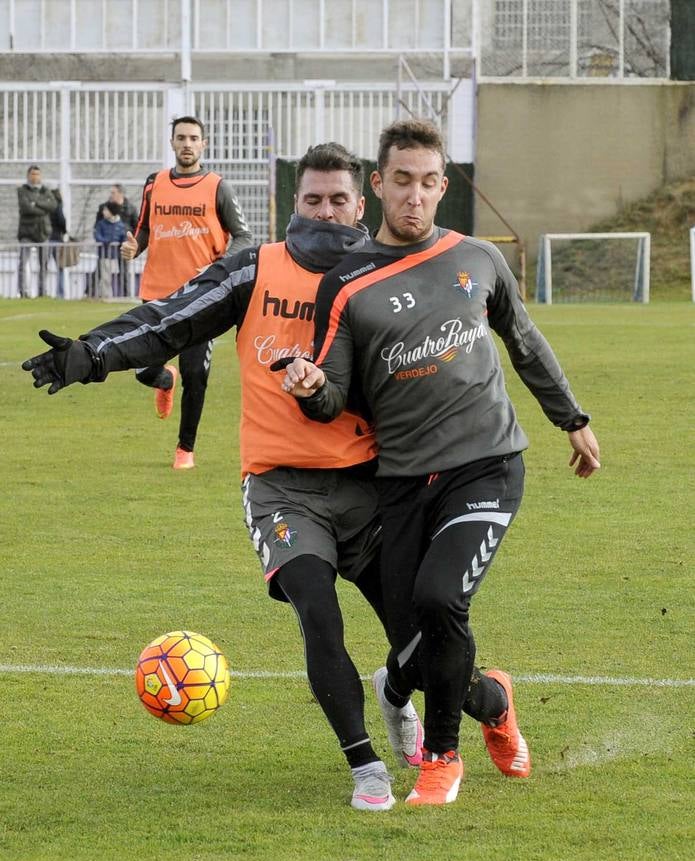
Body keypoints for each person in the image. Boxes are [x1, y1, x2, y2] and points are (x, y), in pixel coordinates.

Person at [22, 142, 424, 812]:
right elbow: (166, 320)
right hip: (279, 488)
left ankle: (406, 695)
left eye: (337, 200)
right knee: (318, 619)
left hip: (370, 486)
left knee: (424, 641)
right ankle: (365, 767)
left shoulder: (386, 274)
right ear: (292, 203)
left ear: (362, 203)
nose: (324, 210)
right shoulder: (253, 265)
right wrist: (91, 355)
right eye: (311, 199)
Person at [280, 119, 601, 807]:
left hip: (487, 464)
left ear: (442, 187)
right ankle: (491, 700)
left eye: (428, 183)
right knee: (417, 651)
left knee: (438, 598)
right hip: (400, 482)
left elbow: (522, 340)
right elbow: (332, 395)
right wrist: (310, 389)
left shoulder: (478, 257)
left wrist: (570, 418)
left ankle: (441, 758)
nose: (414, 196)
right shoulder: (344, 283)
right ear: (378, 183)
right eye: (401, 181)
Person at [120, 115, 254, 470]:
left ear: (203, 144)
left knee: (196, 375)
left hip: (200, 297)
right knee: (142, 369)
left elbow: (243, 235)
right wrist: (134, 248)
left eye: (194, 138)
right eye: (181, 138)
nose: (187, 144)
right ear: (172, 143)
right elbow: (144, 230)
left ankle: (185, 450)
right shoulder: (155, 183)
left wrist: (219, 267)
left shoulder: (217, 186)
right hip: (156, 294)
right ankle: (163, 379)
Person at [17, 165, 57, 298]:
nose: (35, 177)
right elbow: (26, 207)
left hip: (43, 232)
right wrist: (42, 207)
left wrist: (35, 203)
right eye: (33, 174)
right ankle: (23, 292)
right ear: (28, 175)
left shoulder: (46, 190)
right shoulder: (22, 190)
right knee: (23, 263)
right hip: (27, 232)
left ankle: (42, 292)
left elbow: (53, 205)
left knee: (44, 264)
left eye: (37, 174)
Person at [94, 201, 128, 298]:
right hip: (104, 255)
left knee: (116, 277)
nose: (103, 212)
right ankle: (106, 296)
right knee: (105, 278)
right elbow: (97, 236)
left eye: (106, 210)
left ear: (111, 211)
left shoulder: (120, 225)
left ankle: (119, 296)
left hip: (116, 256)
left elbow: (123, 237)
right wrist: (107, 241)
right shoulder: (101, 224)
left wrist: (123, 243)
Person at [48, 187, 67, 299]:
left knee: (44, 266)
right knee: (60, 267)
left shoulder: (47, 206)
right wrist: (64, 231)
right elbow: (62, 220)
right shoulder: (58, 205)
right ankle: (60, 293)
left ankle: (44, 292)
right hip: (56, 238)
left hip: (47, 238)